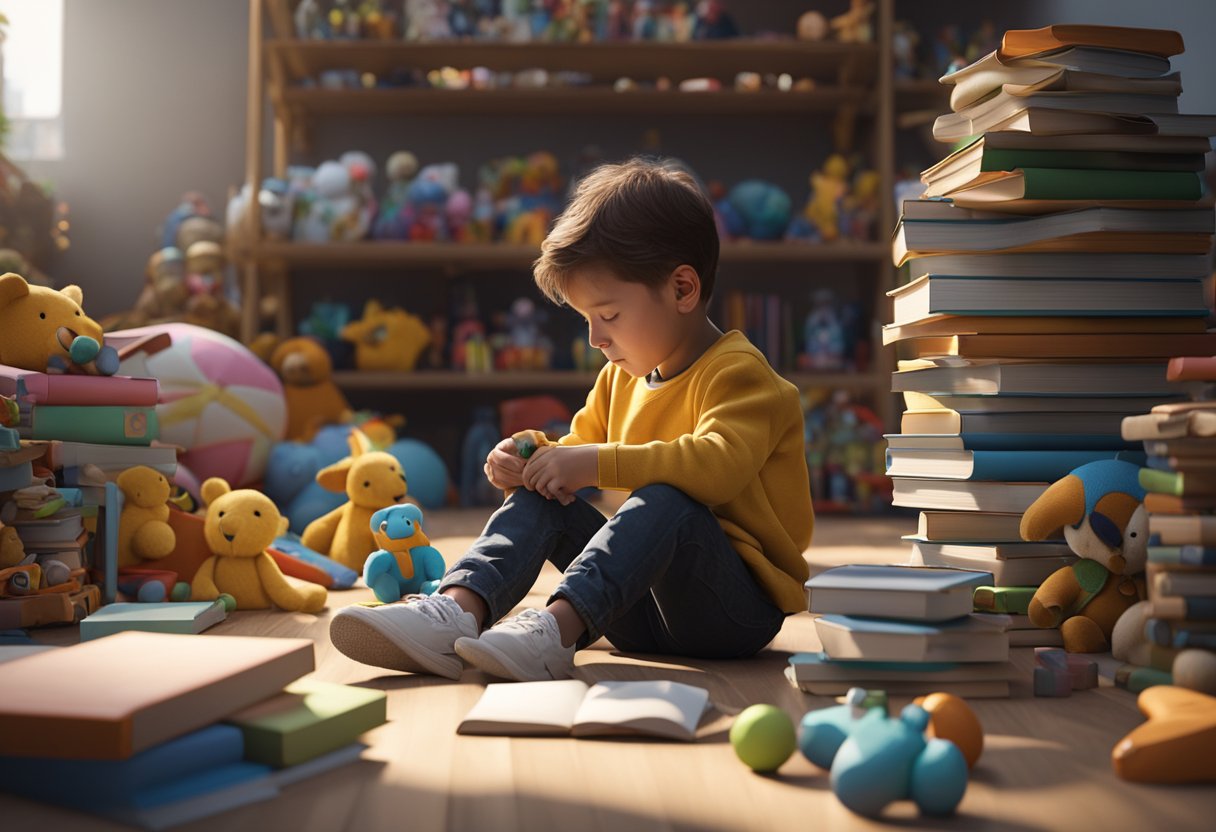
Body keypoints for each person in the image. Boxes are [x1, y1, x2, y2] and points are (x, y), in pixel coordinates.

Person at [329, 157, 814, 682]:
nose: (595, 338)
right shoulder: (621, 378)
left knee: (668, 496)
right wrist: (533, 458)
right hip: (633, 608)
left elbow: (718, 467)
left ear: (682, 289)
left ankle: (553, 633)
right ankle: (456, 610)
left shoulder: (740, 375)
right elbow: (580, 448)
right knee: (547, 496)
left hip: (730, 614)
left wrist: (588, 463)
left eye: (608, 316)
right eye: (587, 320)